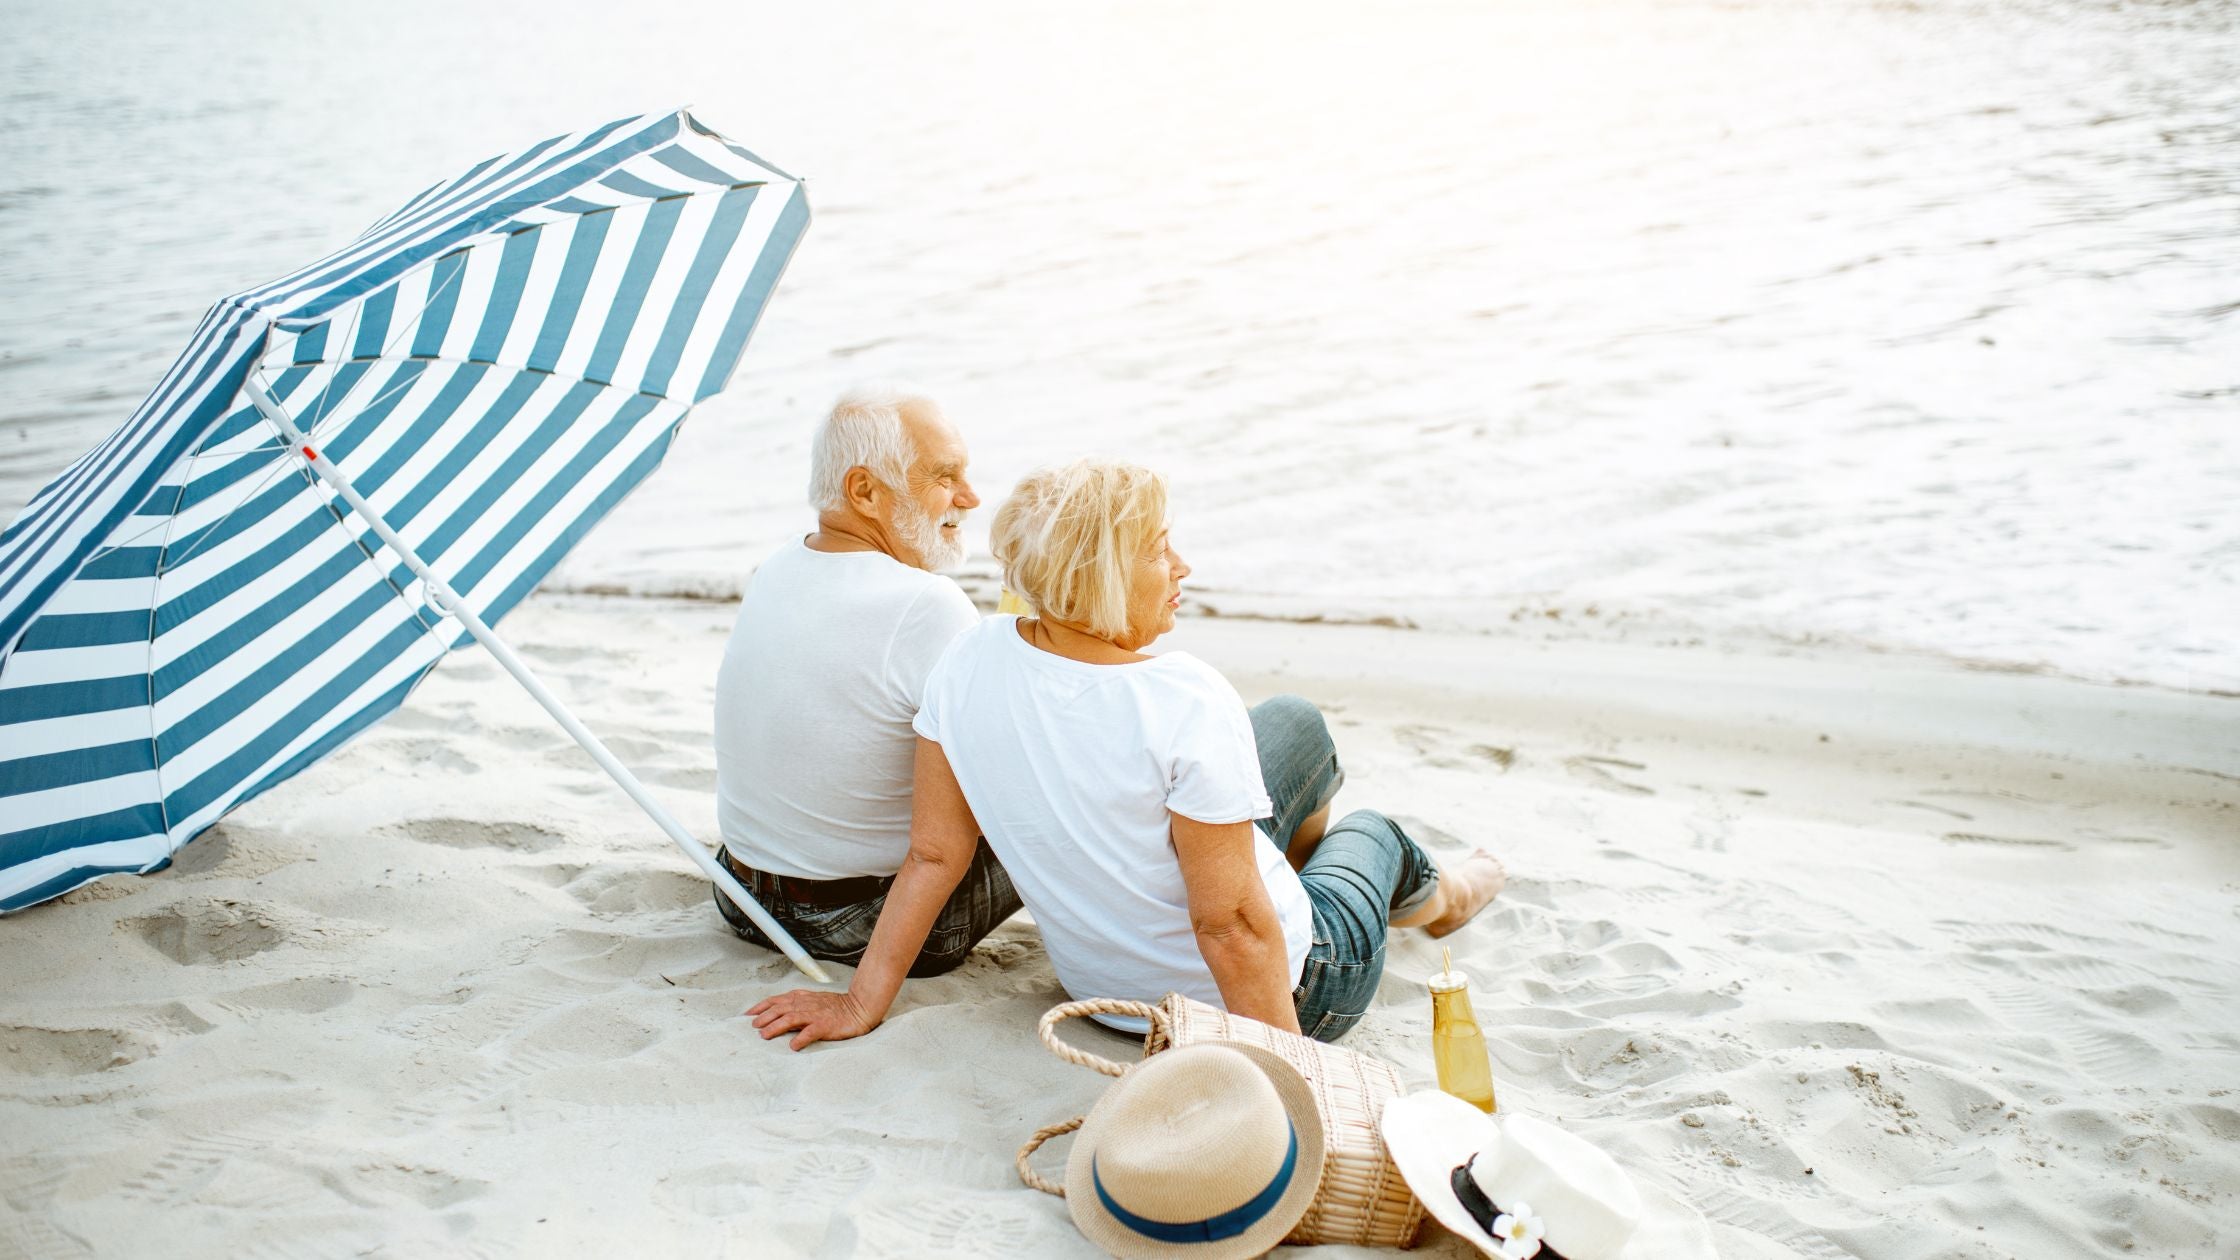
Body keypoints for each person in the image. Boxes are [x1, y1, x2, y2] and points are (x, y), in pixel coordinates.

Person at [749, 457, 1504, 1048]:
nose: (1182, 567)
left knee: (1294, 724)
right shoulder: (1184, 698)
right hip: (1284, 991)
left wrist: (861, 1000)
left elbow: (933, 859)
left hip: (1106, 1001)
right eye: (1158, 550)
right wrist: (1286, 1081)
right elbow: (1231, 932)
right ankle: (1446, 902)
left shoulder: (965, 661)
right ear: (1099, 578)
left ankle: (1282, 875)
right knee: (1374, 835)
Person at [710, 385, 1020, 975]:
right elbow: (1004, 779)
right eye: (944, 476)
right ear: (864, 491)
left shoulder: (778, 566)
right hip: (856, 924)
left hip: (740, 895)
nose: (971, 497)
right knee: (1090, 785)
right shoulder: (926, 604)